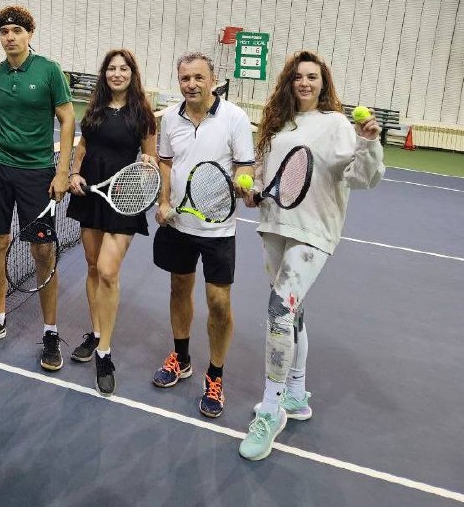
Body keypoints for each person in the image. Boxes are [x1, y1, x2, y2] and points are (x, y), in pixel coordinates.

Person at [238, 50, 384, 460]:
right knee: (293, 313)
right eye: (298, 76)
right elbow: (266, 178)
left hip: (313, 231)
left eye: (312, 77)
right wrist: (252, 191)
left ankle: (271, 410)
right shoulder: (277, 125)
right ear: (289, 82)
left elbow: (362, 177)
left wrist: (369, 143)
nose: (304, 82)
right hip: (274, 226)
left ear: (323, 83)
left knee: (278, 312)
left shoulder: (336, 124)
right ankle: (296, 395)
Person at [0, 5, 75, 372]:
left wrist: (62, 172)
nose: (10, 37)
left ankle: (50, 332)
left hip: (37, 173)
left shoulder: (49, 70)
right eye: (4, 31)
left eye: (16, 31)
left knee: (43, 250)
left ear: (29, 34)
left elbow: (67, 119)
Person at [152, 52, 255, 418]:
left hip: (218, 228)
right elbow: (166, 163)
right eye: (185, 78)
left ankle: (215, 375)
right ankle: (181, 359)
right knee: (179, 288)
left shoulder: (235, 118)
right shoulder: (170, 118)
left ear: (213, 80)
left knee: (219, 303)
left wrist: (243, 183)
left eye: (199, 77)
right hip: (178, 223)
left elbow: (244, 165)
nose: (191, 84)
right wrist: (164, 201)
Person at [66, 49, 157, 396]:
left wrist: (148, 162)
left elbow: (150, 155)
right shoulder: (94, 108)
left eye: (123, 69)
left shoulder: (143, 113)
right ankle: (96, 332)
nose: (117, 74)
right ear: (105, 73)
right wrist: (74, 173)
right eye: (111, 69)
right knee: (92, 267)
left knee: (107, 270)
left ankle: (104, 353)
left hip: (124, 196)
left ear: (132, 74)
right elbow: (82, 148)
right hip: (90, 192)